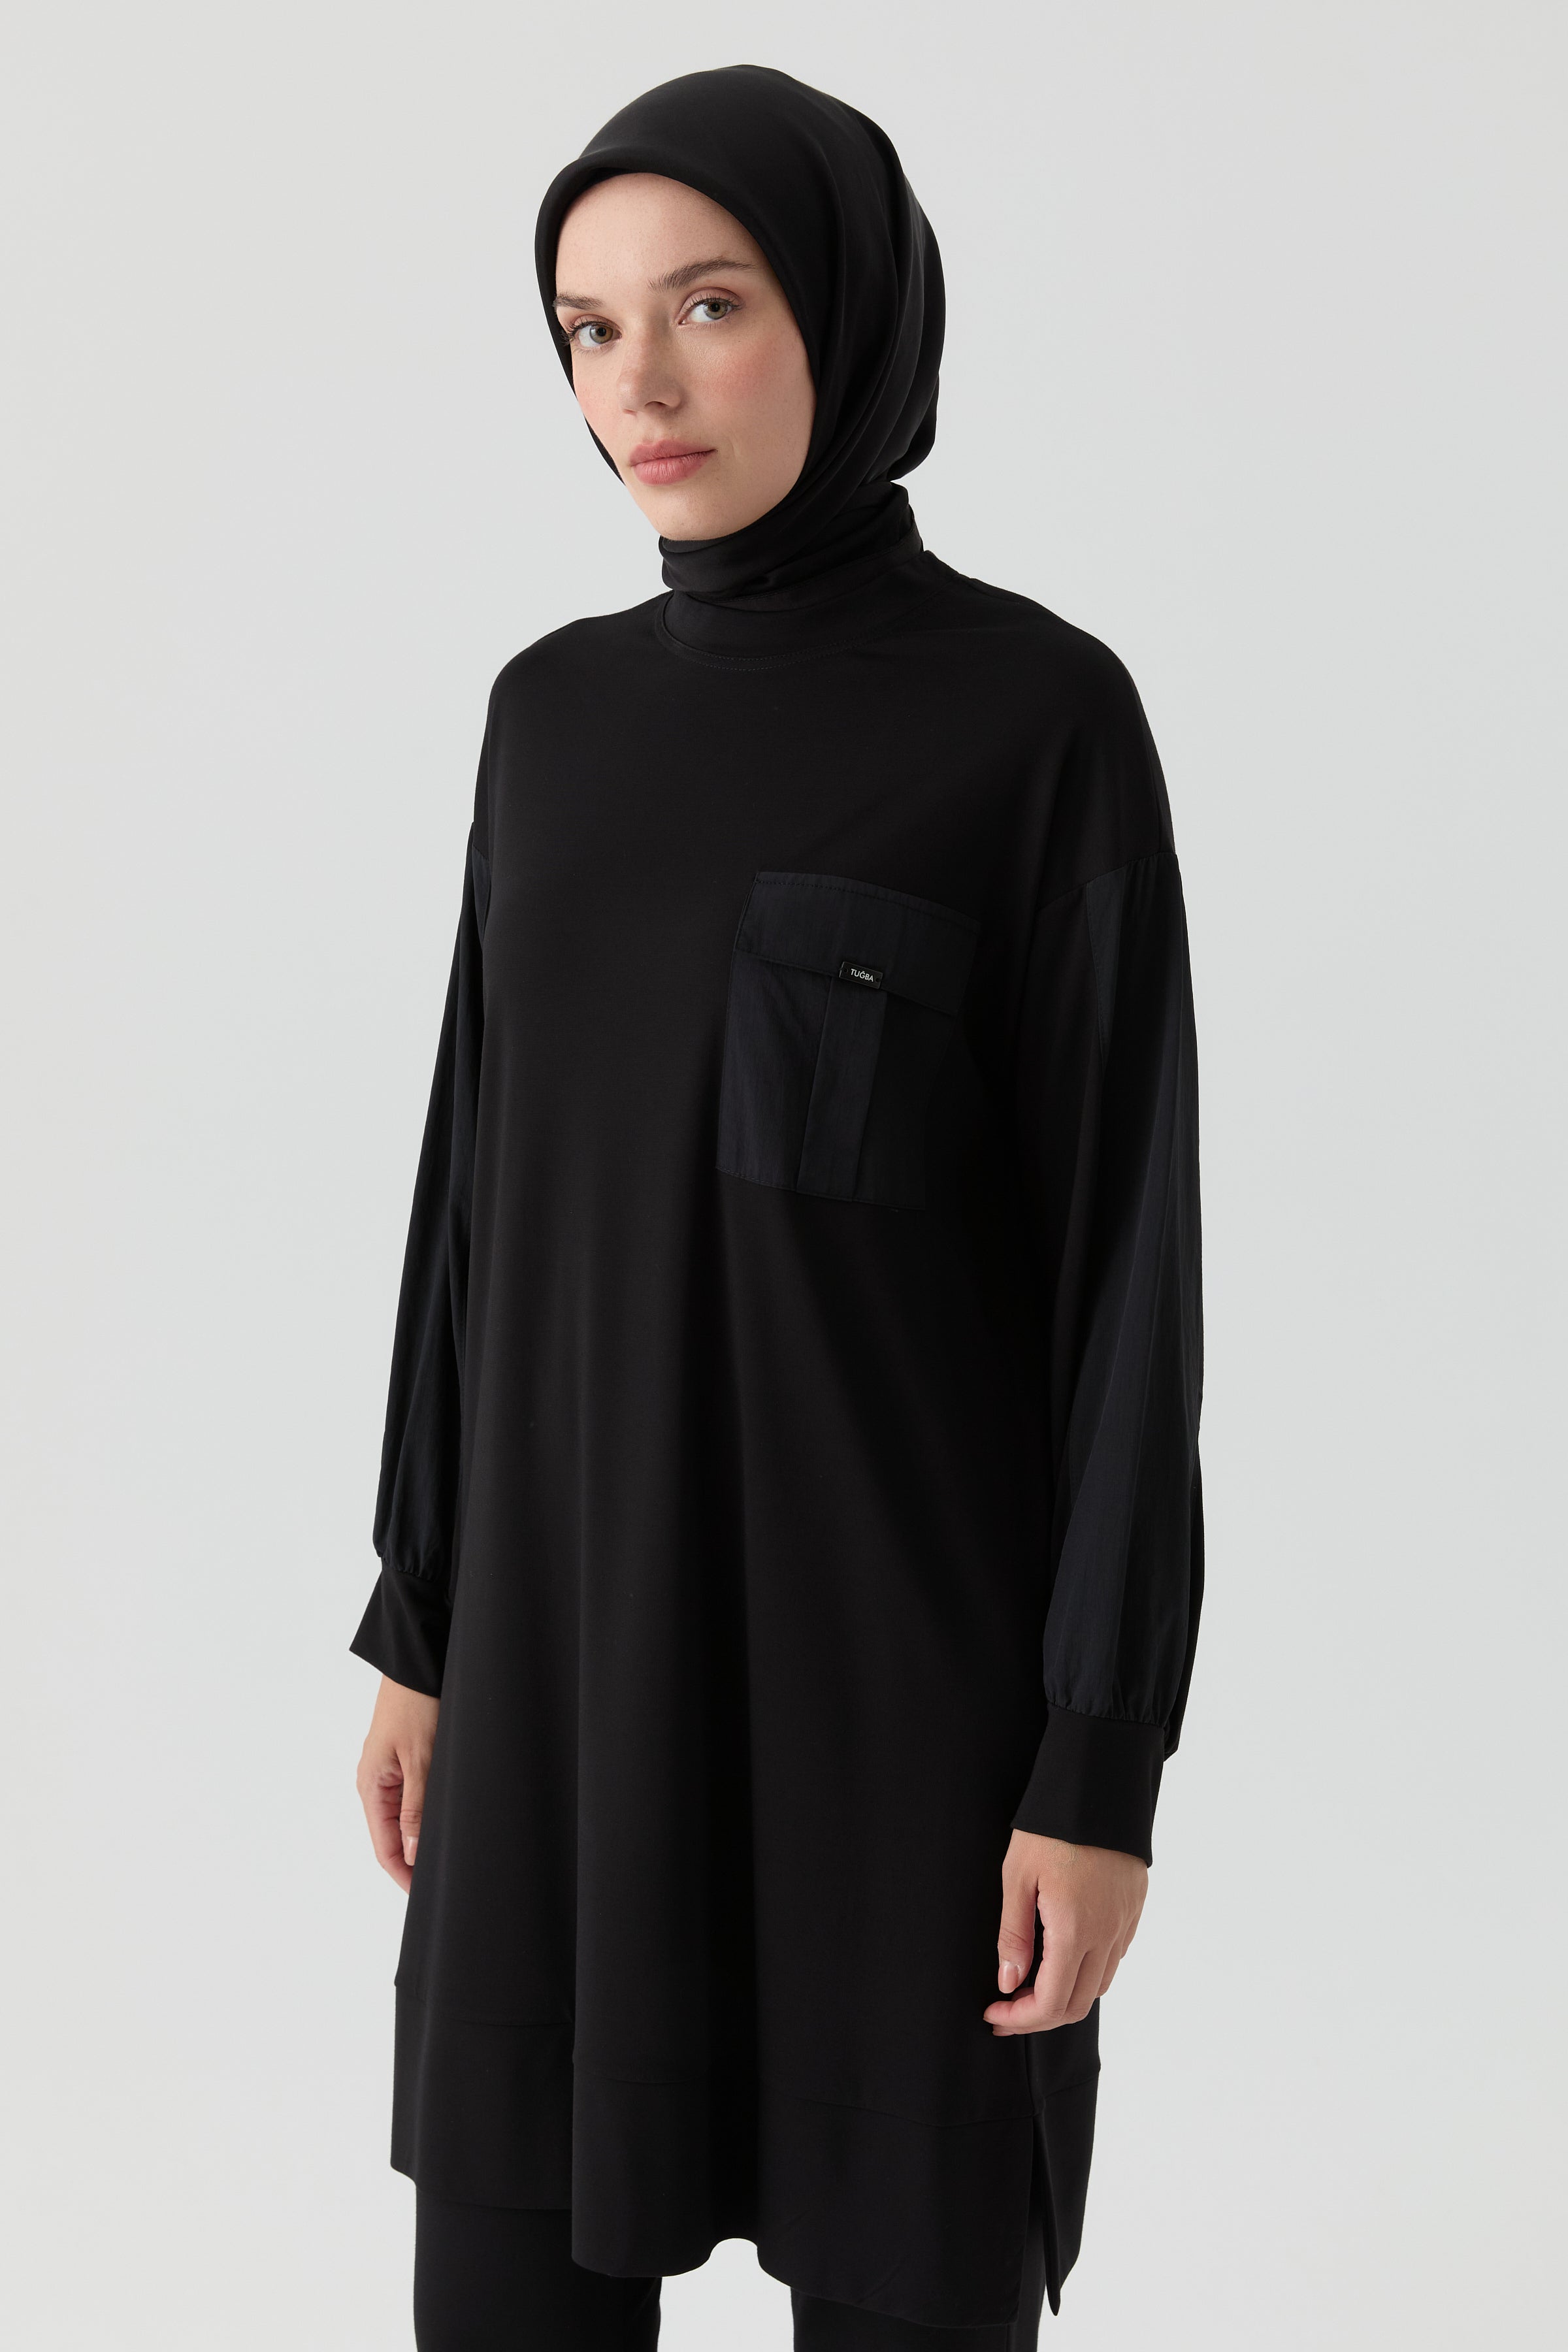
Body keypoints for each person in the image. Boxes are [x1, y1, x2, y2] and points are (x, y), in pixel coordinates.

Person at [351, 62, 1203, 2352]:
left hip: (901, 1744)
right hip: (559, 1694)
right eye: (587, 326)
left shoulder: (1038, 724)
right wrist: (422, 1617)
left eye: (707, 305)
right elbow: (474, 1192)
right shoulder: (548, 721)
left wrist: (1098, 1763)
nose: (638, 382)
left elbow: (1129, 1284)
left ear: (848, 310)